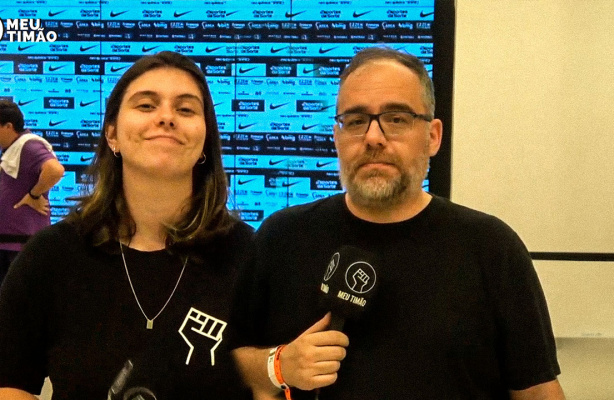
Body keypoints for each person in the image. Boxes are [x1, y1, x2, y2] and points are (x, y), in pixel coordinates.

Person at [229, 47, 565, 400]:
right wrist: (278, 366)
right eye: (355, 121)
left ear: (433, 136)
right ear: (336, 138)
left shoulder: (492, 247)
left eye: (397, 119)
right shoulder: (281, 237)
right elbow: (229, 365)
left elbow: (538, 392)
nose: (373, 137)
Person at [0, 51, 253, 400]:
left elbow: (271, 381)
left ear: (204, 142)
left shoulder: (249, 256)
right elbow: (9, 381)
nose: (166, 118)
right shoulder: (50, 256)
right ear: (112, 135)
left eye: (185, 109)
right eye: (146, 105)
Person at [0, 100, 64, 285]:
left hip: (21, 244)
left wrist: (34, 195)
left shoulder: (29, 146)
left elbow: (55, 170)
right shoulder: (13, 148)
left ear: (8, 126)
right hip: (9, 242)